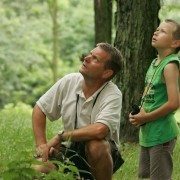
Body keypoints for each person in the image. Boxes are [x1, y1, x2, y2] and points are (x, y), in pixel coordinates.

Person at [32, 42, 124, 180]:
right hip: (68, 149)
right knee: (33, 170)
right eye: (90, 54)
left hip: (101, 154)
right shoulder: (70, 81)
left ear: (106, 73)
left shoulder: (113, 94)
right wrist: (42, 146)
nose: (86, 58)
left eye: (95, 59)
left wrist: (61, 136)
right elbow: (40, 108)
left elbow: (100, 130)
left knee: (95, 146)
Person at [129, 19, 180, 180]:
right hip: (148, 132)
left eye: (163, 31)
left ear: (175, 42)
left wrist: (147, 117)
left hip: (161, 133)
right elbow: (149, 94)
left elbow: (174, 103)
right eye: (157, 29)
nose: (156, 32)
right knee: (145, 175)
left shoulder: (170, 66)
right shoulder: (155, 63)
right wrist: (138, 114)